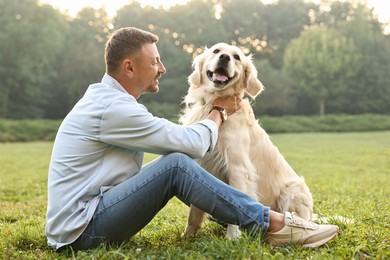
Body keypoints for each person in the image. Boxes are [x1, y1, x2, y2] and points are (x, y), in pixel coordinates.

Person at [46, 27, 339, 251]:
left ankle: (272, 220)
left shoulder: (112, 102)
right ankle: (274, 224)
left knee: (176, 161)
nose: (162, 69)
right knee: (175, 164)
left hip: (83, 221)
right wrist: (219, 112)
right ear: (129, 67)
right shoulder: (112, 108)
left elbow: (186, 142)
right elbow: (193, 144)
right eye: (156, 62)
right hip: (82, 231)